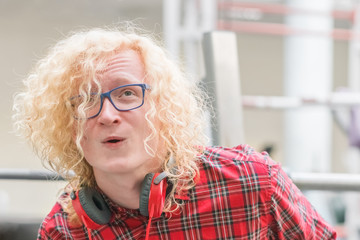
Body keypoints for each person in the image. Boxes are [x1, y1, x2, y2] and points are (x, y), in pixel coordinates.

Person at [13, 26, 336, 240]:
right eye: (85, 100)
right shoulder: (66, 229)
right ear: (68, 127)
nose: (107, 115)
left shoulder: (251, 181)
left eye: (127, 94)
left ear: (163, 107)